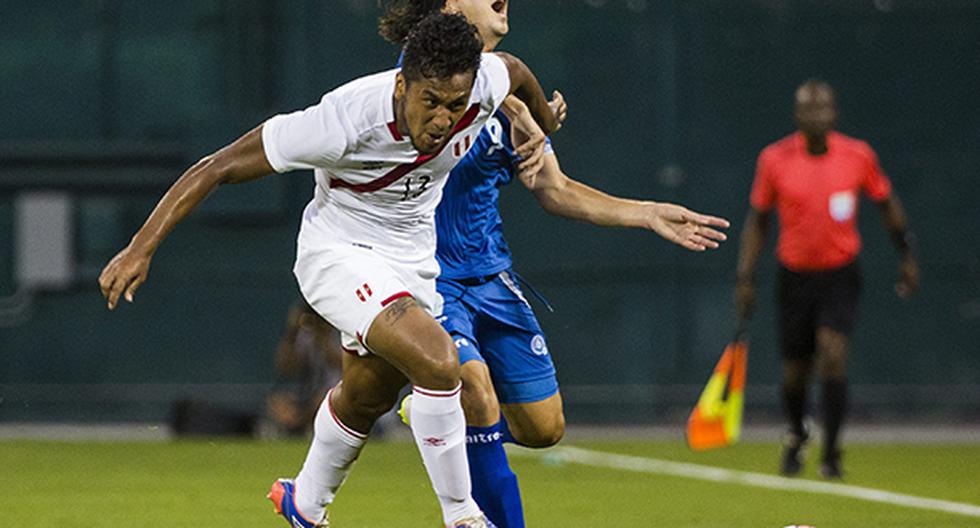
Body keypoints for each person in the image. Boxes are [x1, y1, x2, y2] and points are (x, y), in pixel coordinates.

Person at [99, 13, 563, 528]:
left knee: (368, 395)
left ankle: (305, 503)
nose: (442, 119)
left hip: (411, 256)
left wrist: (540, 118)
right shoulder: (344, 120)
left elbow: (514, 69)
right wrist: (140, 248)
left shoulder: (480, 87)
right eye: (429, 101)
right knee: (438, 359)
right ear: (402, 83)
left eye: (454, 106)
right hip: (339, 252)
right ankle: (463, 517)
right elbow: (218, 166)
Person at [380, 2, 730, 525]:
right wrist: (519, 109)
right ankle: (449, 416)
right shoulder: (418, 82)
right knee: (473, 391)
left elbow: (553, 186)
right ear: (451, 4)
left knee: (544, 428)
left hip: (492, 277)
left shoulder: (507, 96)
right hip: (429, 279)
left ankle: (433, 411)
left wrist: (646, 212)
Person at [734, 79, 919, 479]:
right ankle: (798, 432)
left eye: (823, 109)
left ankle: (832, 452)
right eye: (808, 109)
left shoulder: (857, 155)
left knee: (833, 355)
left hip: (839, 274)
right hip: (794, 275)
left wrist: (906, 252)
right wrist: (745, 277)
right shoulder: (775, 159)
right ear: (797, 115)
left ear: (834, 113)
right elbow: (759, 221)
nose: (816, 115)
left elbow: (887, 204)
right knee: (794, 372)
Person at [265, 300, 343, 437]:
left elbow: (340, 363)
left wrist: (323, 337)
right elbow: (285, 367)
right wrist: (292, 331)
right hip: (307, 393)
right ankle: (297, 428)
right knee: (278, 402)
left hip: (336, 392)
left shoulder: (340, 332)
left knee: (322, 402)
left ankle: (300, 427)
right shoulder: (304, 336)